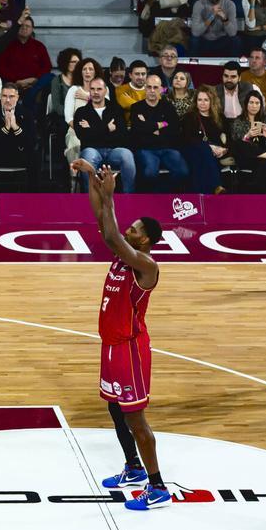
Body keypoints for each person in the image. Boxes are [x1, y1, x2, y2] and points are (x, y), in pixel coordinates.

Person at [71, 159, 170, 511]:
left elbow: (111, 232)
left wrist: (110, 195)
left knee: (136, 418)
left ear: (146, 240)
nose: (127, 230)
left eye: (134, 229)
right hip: (111, 345)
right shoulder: (122, 255)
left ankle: (158, 486)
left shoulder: (145, 264)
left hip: (129, 348)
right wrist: (89, 177)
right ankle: (133, 468)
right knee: (115, 409)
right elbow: (102, 221)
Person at [74, 78, 135, 193]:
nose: (96, 92)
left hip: (114, 151)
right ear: (89, 91)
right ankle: (90, 200)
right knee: (87, 156)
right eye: (92, 89)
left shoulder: (116, 109)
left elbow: (122, 135)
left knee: (127, 155)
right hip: (92, 150)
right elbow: (83, 136)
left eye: (99, 89)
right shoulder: (81, 112)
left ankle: (129, 198)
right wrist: (107, 128)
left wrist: (92, 129)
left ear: (105, 90)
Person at [130, 75, 190, 188]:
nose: (152, 91)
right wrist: (161, 124)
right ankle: (154, 198)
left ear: (161, 89)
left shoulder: (168, 107)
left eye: (155, 87)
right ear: (145, 88)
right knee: (150, 173)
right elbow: (137, 131)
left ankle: (165, 194)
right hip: (146, 149)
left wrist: (148, 126)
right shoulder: (136, 108)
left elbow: (174, 130)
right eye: (149, 87)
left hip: (167, 148)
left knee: (183, 172)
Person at [230, 90, 266, 192]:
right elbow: (236, 143)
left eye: (257, 103)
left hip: (264, 158)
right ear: (246, 104)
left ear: (261, 105)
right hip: (246, 158)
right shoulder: (238, 121)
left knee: (263, 164)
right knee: (238, 144)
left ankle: (258, 199)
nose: (254, 106)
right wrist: (247, 136)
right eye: (251, 102)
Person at [181, 86, 229, 194]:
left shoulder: (220, 117)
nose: (202, 103)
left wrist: (223, 149)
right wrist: (210, 147)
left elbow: (228, 136)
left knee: (204, 159)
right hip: (192, 149)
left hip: (215, 153)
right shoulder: (190, 117)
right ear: (196, 101)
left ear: (212, 101)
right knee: (202, 152)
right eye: (199, 100)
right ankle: (216, 186)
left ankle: (202, 196)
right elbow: (189, 138)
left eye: (206, 100)